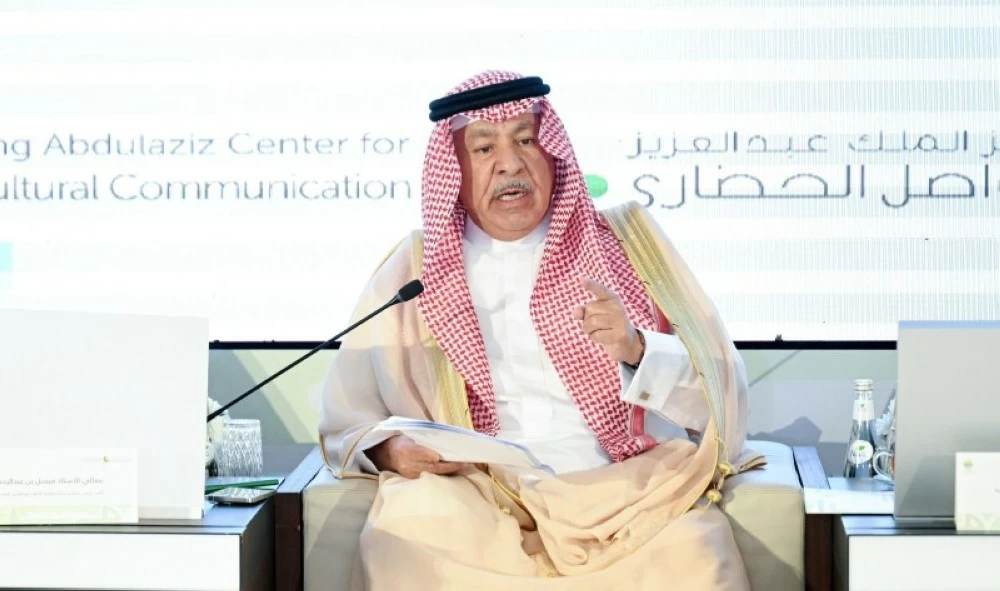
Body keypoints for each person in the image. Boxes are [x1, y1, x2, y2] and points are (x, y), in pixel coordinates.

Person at [318, 70, 764, 590]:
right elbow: (348, 419)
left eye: (526, 140)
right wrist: (391, 451)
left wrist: (637, 348)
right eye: (484, 148)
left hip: (620, 488)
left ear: (552, 151)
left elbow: (723, 402)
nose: (510, 163)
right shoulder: (415, 270)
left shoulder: (629, 245)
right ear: (454, 168)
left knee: (693, 551)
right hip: (475, 491)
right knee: (408, 531)